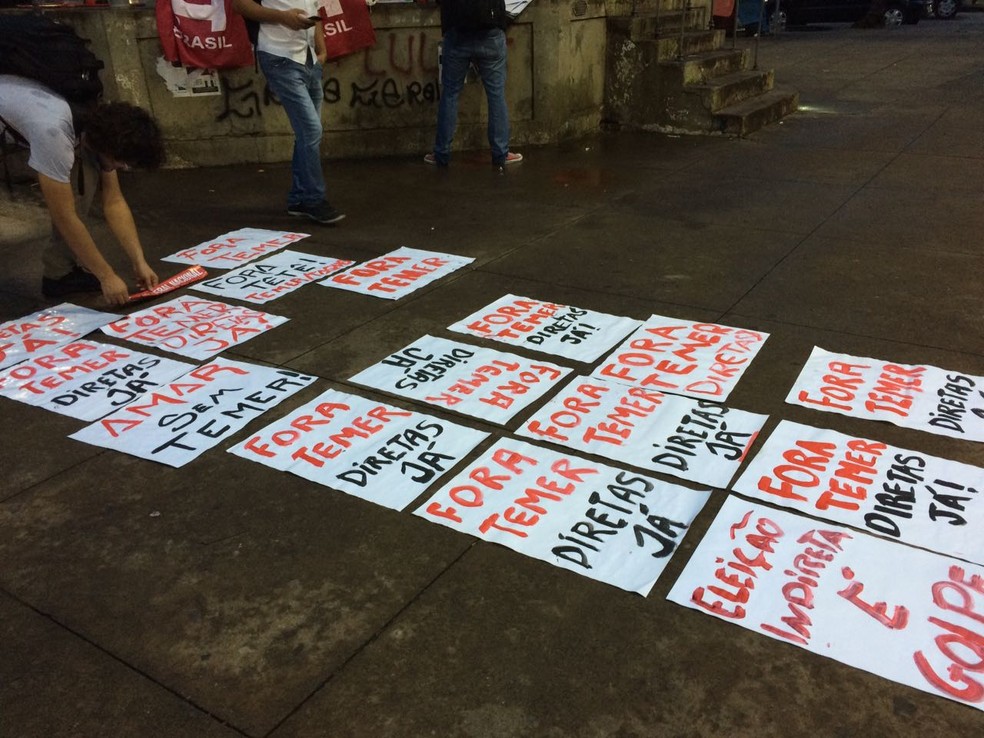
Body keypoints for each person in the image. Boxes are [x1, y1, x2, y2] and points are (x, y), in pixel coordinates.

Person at [0, 74, 165, 306]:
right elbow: (64, 215)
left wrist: (139, 261)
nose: (124, 167)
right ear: (107, 149)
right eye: (122, 162)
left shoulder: (101, 125)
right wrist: (106, 276)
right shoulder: (54, 134)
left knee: (83, 183)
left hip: (33, 110)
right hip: (26, 119)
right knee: (67, 203)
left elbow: (114, 201)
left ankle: (60, 273)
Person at [231, 0, 344, 225]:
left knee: (306, 133)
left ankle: (299, 198)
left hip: (309, 58)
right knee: (311, 130)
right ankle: (314, 200)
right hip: (278, 56)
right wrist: (283, 17)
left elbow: (315, 9)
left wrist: (321, 51)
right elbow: (239, 4)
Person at [425, 0, 522, 168]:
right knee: (496, 95)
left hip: (457, 33)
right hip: (490, 32)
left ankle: (441, 153)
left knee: (450, 94)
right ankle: (501, 154)